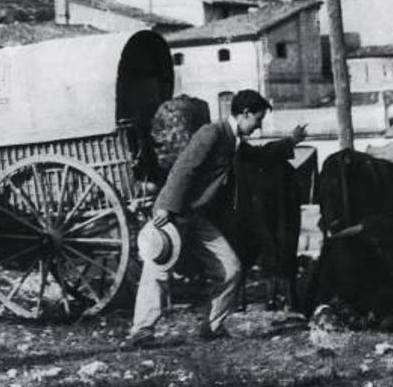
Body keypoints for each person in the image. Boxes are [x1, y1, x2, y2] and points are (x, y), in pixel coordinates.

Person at [127, 89, 306, 345]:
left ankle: (212, 327)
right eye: (258, 119)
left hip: (198, 219)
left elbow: (260, 155)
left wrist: (291, 141)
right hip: (177, 214)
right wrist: (166, 207)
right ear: (244, 114)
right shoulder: (212, 133)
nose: (258, 126)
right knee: (158, 268)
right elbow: (184, 168)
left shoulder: (234, 142)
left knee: (231, 269)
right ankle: (142, 331)